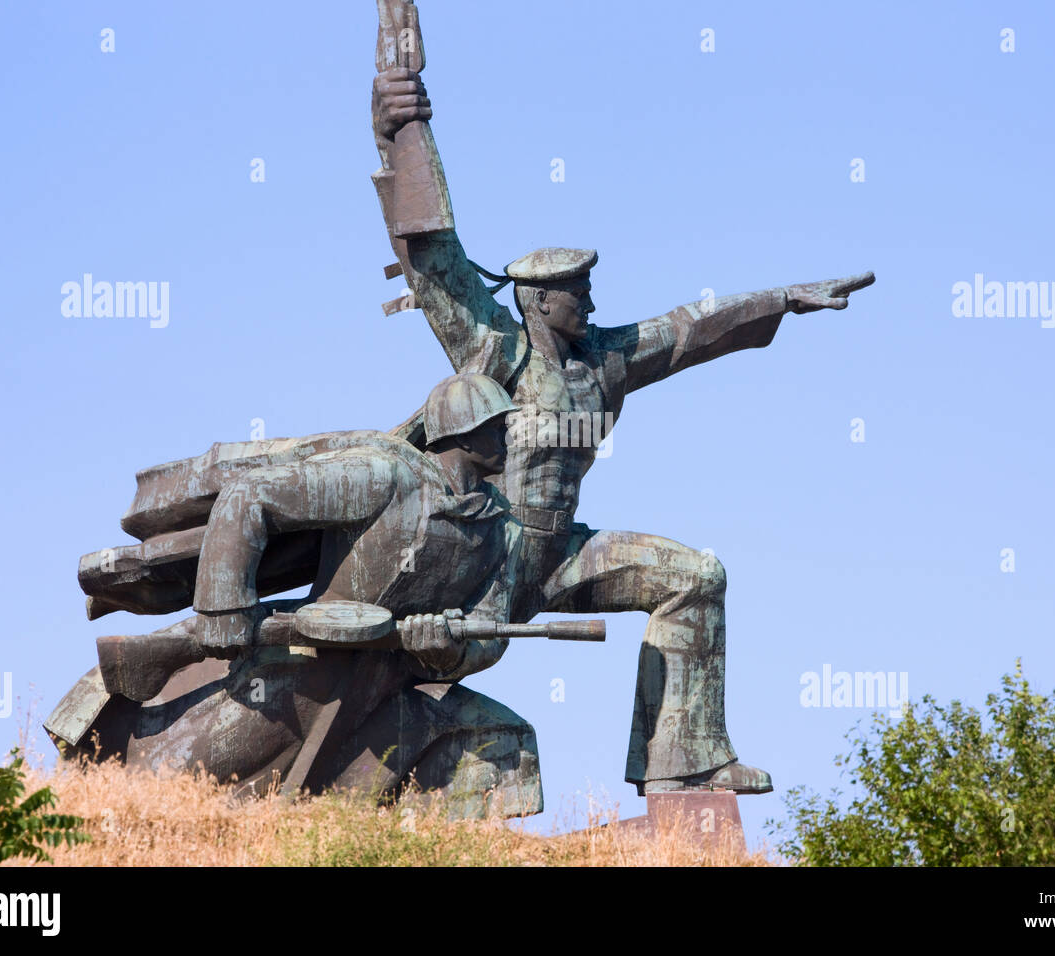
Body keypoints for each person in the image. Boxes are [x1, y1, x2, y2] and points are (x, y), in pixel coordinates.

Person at [371, 66, 874, 794]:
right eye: (577, 293)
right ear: (539, 302)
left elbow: (691, 329)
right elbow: (436, 256)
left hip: (562, 551)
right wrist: (400, 128)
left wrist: (786, 299)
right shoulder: (493, 348)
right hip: (487, 554)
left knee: (694, 577)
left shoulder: (604, 360)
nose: (591, 300)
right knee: (433, 656)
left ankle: (684, 762)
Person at [49, 373, 544, 819]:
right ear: (462, 431)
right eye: (497, 425)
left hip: (386, 689)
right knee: (168, 780)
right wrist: (224, 608)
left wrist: (451, 648)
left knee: (501, 740)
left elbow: (492, 630)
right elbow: (250, 496)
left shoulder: (505, 529)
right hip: (300, 673)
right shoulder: (388, 477)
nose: (508, 436)